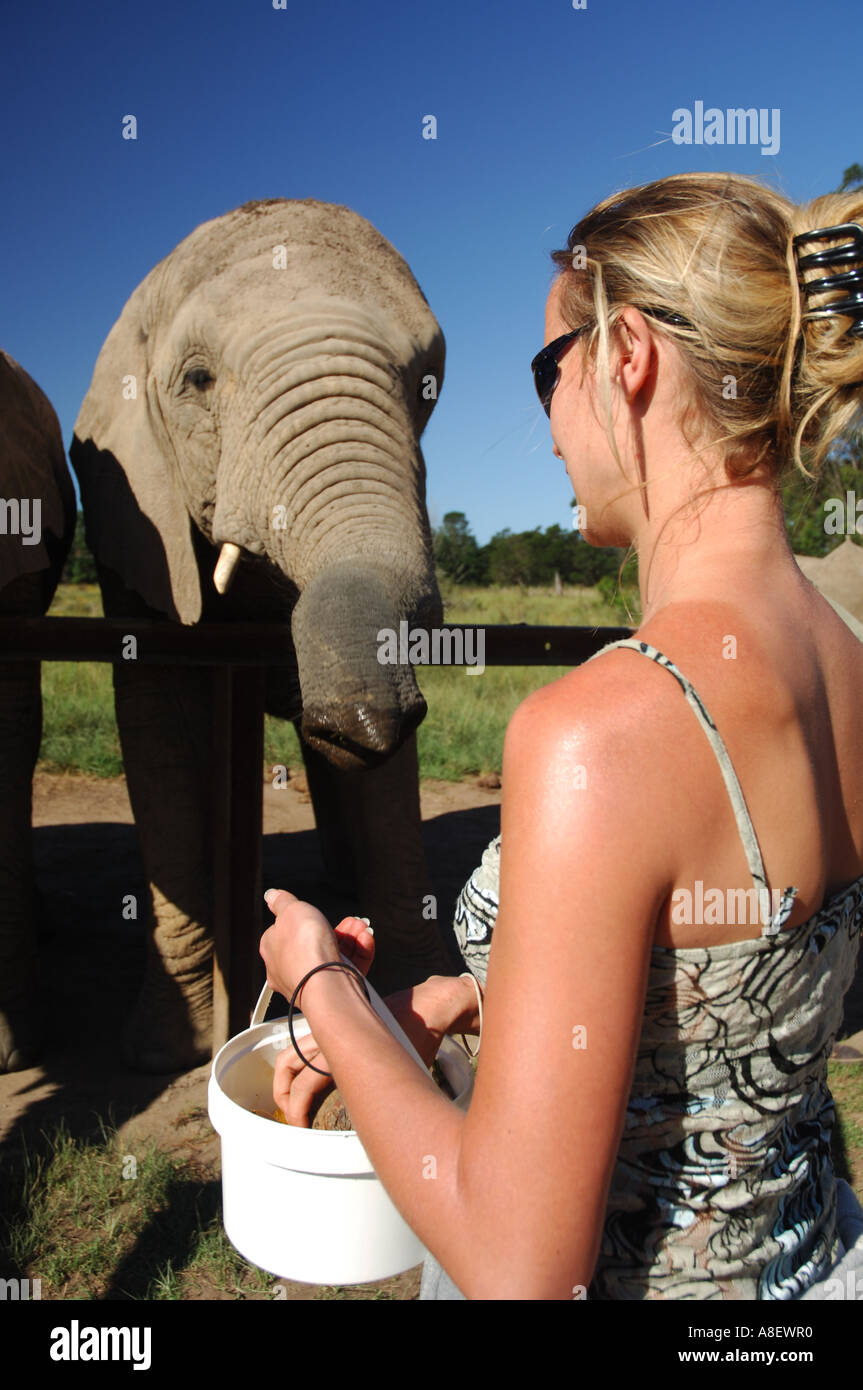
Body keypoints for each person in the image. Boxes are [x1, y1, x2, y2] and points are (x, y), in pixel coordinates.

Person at [259, 172, 863, 1300]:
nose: (543, 429)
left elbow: (513, 1265)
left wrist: (324, 992)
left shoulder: (599, 732)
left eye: (550, 369)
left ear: (626, 352)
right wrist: (480, 993)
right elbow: (752, 979)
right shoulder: (845, 662)